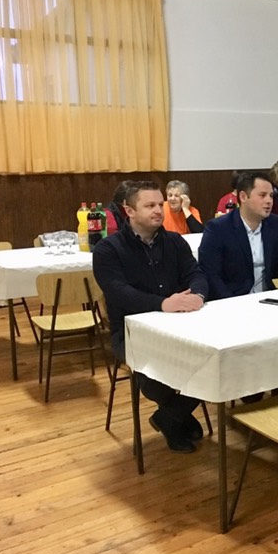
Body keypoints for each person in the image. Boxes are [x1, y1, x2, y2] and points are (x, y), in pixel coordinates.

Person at [93, 181, 208, 454]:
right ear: (130, 211)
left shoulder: (175, 242)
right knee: (153, 377)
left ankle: (169, 416)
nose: (158, 210)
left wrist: (199, 295)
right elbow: (118, 292)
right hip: (131, 331)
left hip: (180, 324)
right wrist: (162, 303)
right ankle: (176, 414)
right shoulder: (108, 249)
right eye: (150, 205)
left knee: (211, 359)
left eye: (160, 204)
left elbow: (196, 274)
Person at [199, 172, 278, 300]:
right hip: (232, 299)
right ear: (243, 197)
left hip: (268, 298)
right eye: (262, 195)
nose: (269, 201)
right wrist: (232, 303)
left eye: (271, 196)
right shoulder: (218, 228)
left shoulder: (275, 224)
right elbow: (211, 276)